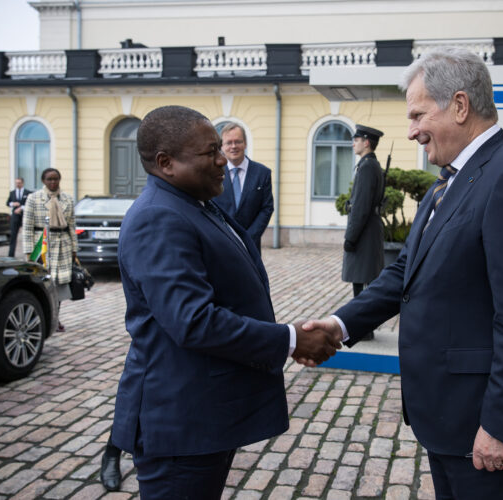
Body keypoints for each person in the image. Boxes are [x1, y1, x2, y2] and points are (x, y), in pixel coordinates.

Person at [301, 47, 503, 499]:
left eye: (418, 115)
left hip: (486, 426)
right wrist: (341, 324)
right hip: (448, 419)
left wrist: (501, 426)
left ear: (460, 106)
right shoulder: (449, 181)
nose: (411, 132)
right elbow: (407, 270)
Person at [110, 105, 338, 498]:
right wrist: (289, 339)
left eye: (221, 147)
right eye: (209, 153)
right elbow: (194, 321)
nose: (222, 160)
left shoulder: (195, 202)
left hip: (205, 415)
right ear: (166, 163)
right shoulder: (158, 217)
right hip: (181, 424)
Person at [342, 125, 386, 340]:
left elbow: (360, 207)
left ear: (366, 142)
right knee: (362, 282)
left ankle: (363, 329)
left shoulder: (368, 167)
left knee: (363, 283)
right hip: (368, 230)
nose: (353, 143)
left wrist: (350, 237)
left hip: (364, 233)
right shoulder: (368, 165)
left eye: (356, 139)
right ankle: (363, 328)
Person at [23, 168, 77, 333]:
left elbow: (72, 226)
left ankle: (55, 318)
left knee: (59, 285)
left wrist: (75, 249)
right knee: (44, 284)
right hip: (43, 246)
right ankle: (41, 318)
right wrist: (28, 252)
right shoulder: (34, 199)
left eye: (56, 179)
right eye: (49, 179)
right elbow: (27, 226)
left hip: (63, 246)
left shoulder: (67, 199)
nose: (53, 182)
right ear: (43, 181)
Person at [212, 122, 274, 252]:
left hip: (251, 246)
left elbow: (267, 207)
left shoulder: (262, 173)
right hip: (221, 243)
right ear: (222, 146)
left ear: (245, 144)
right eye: (229, 142)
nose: (233, 146)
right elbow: (209, 206)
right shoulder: (213, 173)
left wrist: (249, 237)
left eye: (238, 141)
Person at [5, 177, 31, 257]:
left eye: (19, 183)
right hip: (15, 217)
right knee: (13, 235)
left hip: (25, 216)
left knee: (28, 235)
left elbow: (30, 204)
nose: (17, 184)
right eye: (16, 183)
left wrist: (21, 208)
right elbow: (7, 203)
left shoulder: (28, 193)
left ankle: (29, 255)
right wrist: (13, 204)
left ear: (22, 183)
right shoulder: (12, 193)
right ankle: (11, 255)